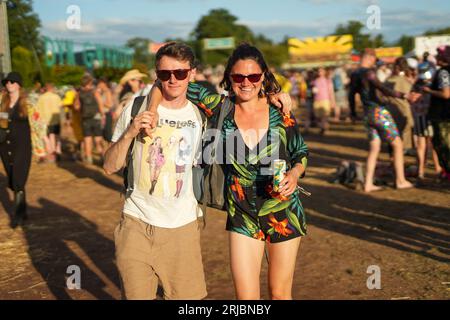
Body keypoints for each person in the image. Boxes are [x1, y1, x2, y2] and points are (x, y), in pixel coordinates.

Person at [148, 43, 306, 300]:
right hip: (241, 212)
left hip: (284, 209)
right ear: (229, 79)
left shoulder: (280, 111)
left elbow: (301, 153)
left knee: (279, 294)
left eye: (253, 76)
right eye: (238, 77)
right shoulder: (219, 107)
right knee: (246, 299)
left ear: (263, 77)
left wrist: (295, 174)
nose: (246, 83)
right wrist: (151, 111)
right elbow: (163, 81)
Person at [103, 42, 208, 300]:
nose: (172, 80)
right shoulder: (136, 108)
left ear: (192, 73)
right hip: (136, 224)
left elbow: (247, 97)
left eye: (180, 73)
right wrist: (130, 132)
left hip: (182, 226)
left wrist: (276, 96)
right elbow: (108, 166)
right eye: (164, 74)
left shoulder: (201, 115)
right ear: (156, 75)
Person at [348, 49, 414, 192]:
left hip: (367, 114)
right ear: (370, 58)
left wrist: (353, 112)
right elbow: (383, 88)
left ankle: (368, 184)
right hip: (379, 112)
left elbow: (351, 95)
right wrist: (404, 96)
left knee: (374, 148)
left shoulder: (354, 74)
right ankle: (400, 180)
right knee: (398, 144)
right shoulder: (369, 73)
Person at [0, 72, 32, 228]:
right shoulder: (3, 103)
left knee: (19, 179)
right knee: (13, 180)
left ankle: (17, 214)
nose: (8, 84)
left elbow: (38, 125)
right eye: (6, 82)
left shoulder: (27, 103)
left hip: (23, 147)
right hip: (5, 147)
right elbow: (2, 125)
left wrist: (45, 144)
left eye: (12, 82)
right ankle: (24, 210)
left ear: (18, 84)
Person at [410, 62, 442, 180]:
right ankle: (437, 168)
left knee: (421, 145)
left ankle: (421, 171)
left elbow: (411, 100)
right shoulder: (432, 84)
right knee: (433, 144)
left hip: (419, 117)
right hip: (429, 117)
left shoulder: (416, 84)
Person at [423, 45, 450, 181]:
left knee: (443, 145)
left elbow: (446, 94)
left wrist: (429, 91)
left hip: (443, 116)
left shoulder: (443, 72)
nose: (437, 57)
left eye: (439, 55)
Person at [384, 57, 415, 152]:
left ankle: (393, 157)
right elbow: (412, 97)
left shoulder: (388, 80)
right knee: (403, 134)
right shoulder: (406, 80)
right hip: (403, 111)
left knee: (393, 135)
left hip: (390, 110)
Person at [74, 74, 104, 164]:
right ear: (90, 82)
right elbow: (100, 104)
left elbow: (76, 107)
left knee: (87, 138)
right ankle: (102, 156)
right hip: (96, 117)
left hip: (85, 118)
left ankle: (89, 157)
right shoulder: (95, 92)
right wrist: (102, 115)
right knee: (98, 138)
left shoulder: (79, 93)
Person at [35, 83, 63, 162]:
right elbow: (60, 107)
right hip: (55, 119)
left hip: (44, 120)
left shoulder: (41, 97)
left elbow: (37, 109)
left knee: (46, 136)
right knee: (54, 136)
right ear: (52, 88)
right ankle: (55, 152)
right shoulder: (56, 97)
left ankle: (51, 152)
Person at [313, 67, 336, 135]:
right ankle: (323, 127)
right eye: (319, 71)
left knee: (325, 116)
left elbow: (331, 92)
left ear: (324, 72)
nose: (319, 72)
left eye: (321, 71)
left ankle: (323, 129)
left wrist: (333, 102)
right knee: (317, 117)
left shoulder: (328, 80)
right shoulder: (315, 80)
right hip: (317, 100)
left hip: (325, 100)